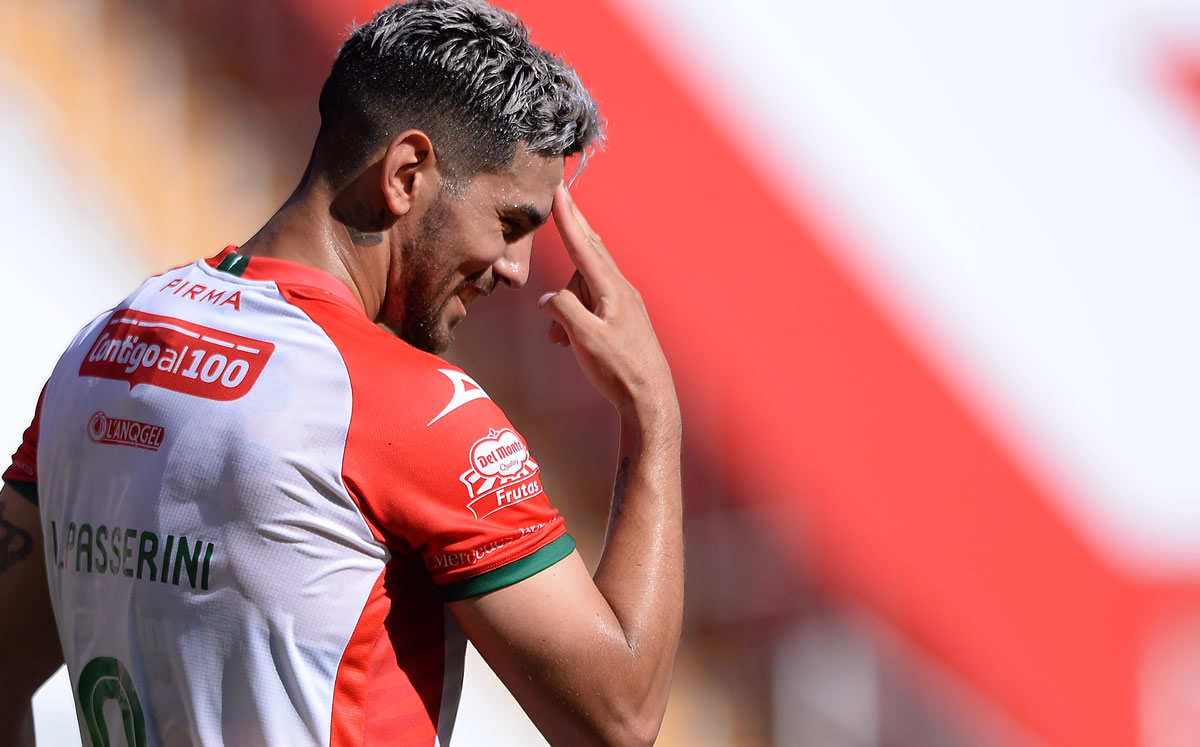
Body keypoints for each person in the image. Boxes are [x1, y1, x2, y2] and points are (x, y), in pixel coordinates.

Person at [0, 1, 683, 744]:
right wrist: (652, 416)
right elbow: (619, 716)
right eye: (511, 224)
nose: (519, 271)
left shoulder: (104, 348)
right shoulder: (413, 410)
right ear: (406, 174)